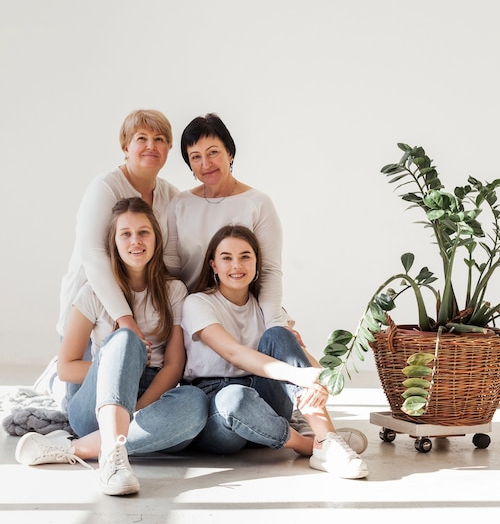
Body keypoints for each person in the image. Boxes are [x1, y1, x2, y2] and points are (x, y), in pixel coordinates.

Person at [16, 198, 209, 496]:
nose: (136, 241)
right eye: (126, 234)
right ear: (114, 242)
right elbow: (67, 366)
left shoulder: (174, 291)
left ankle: (75, 447)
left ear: (157, 239)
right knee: (126, 339)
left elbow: (173, 366)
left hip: (150, 393)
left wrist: (137, 411)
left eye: (144, 232)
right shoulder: (93, 292)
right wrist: (117, 369)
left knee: (195, 403)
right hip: (95, 402)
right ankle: (113, 461)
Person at [181, 224, 369, 479]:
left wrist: (320, 379)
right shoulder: (198, 303)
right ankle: (309, 446)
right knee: (234, 398)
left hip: (266, 397)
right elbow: (233, 353)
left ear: (257, 262)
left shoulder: (268, 308)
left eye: (245, 257)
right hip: (219, 409)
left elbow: (295, 352)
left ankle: (327, 438)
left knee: (279, 334)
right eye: (227, 258)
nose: (237, 266)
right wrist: (300, 376)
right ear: (213, 265)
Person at [58, 109, 179, 341]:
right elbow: (92, 255)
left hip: (146, 315)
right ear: (125, 148)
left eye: (159, 139)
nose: (151, 146)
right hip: (93, 315)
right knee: (83, 374)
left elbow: (172, 260)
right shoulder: (105, 187)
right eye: (141, 138)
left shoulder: (172, 196)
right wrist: (126, 321)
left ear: (168, 149)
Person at [164, 113, 286, 330]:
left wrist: (274, 325)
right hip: (194, 315)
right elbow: (171, 270)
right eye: (195, 157)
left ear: (229, 152)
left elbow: (269, 271)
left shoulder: (257, 203)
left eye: (213, 152)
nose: (205, 164)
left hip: (245, 314)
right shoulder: (180, 204)